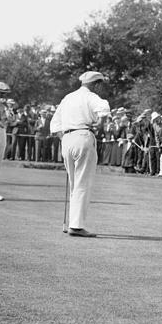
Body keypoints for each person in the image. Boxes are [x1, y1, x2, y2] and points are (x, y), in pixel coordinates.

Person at [50, 71, 111, 237]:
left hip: (67, 139)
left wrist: (66, 138)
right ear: (95, 84)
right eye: (99, 84)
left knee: (74, 184)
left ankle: (73, 222)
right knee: (83, 183)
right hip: (83, 136)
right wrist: (100, 123)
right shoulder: (91, 97)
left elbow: (54, 124)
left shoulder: (67, 98)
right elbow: (104, 110)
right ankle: (76, 226)